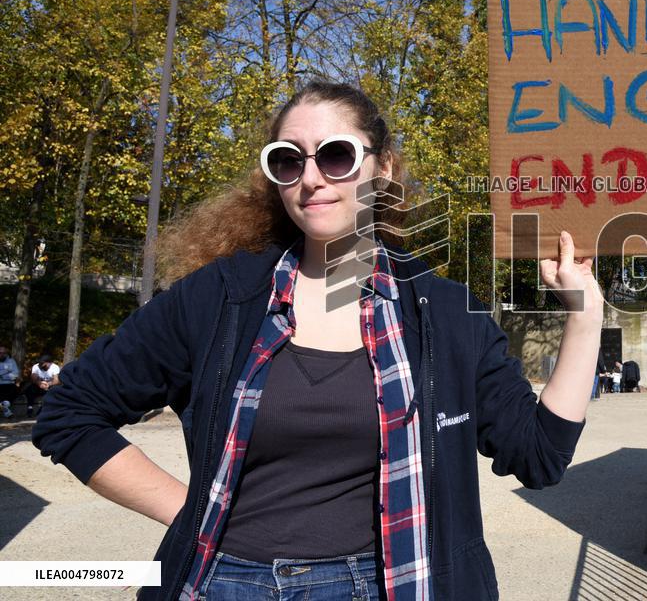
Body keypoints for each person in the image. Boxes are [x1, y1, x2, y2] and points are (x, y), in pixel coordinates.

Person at [32, 80, 604, 601]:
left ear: (382, 170)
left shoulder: (450, 315)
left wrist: (584, 313)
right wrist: (191, 513)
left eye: (336, 155)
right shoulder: (218, 299)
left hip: (389, 585)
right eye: (288, 160)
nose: (311, 178)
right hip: (222, 584)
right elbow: (70, 415)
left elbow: (539, 456)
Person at [0, 344, 20, 418]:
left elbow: (15, 375)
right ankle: (6, 410)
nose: (1, 355)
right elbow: (11, 374)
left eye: (3, 353)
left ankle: (3, 405)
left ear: (6, 353)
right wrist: (7, 372)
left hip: (9, 384)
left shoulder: (12, 361)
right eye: (0, 353)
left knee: (16, 390)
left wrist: (2, 375)